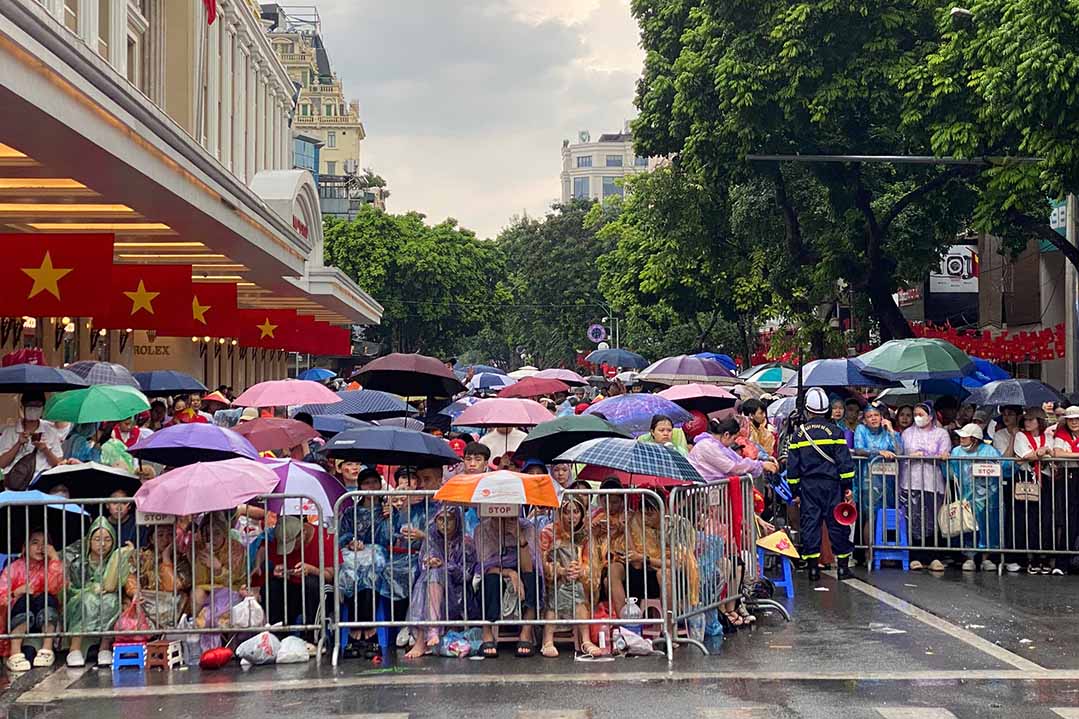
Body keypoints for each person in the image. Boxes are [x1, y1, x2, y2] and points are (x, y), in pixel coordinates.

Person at [785, 388, 856, 581]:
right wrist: (847, 487)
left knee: (811, 525)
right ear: (827, 409)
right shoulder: (836, 432)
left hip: (809, 487)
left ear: (807, 409)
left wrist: (794, 491)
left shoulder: (798, 435)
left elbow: (793, 468)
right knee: (838, 525)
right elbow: (845, 463)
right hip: (833, 486)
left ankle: (813, 570)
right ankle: (842, 568)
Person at [403, 505, 479, 659]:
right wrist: (430, 562)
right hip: (432, 590)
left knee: (435, 575)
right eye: (440, 519)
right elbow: (422, 565)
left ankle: (423, 638)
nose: (444, 524)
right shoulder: (431, 539)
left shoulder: (467, 543)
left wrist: (445, 565)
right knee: (430, 575)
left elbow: (466, 576)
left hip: (458, 595)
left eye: (449, 519)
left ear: (457, 521)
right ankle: (432, 628)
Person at [252, 516, 337, 640]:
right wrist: (278, 570)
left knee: (312, 582)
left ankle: (313, 636)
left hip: (318, 590)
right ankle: (277, 634)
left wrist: (313, 570)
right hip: (292, 590)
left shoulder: (325, 538)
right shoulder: (279, 536)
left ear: (303, 533)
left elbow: (331, 575)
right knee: (272, 586)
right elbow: (268, 556)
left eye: (292, 544)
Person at [62, 518, 133, 667]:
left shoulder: (113, 561)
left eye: (107, 539)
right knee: (88, 600)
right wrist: (90, 589)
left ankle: (105, 646)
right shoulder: (79, 564)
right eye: (97, 539)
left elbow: (120, 583)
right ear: (89, 540)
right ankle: (75, 648)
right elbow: (72, 589)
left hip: (107, 596)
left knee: (111, 600)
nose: (102, 544)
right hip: (80, 597)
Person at [538, 495, 601, 658]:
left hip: (578, 581)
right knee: (556, 593)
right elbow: (541, 561)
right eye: (567, 512)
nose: (571, 516)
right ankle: (548, 639)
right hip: (552, 581)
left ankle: (585, 640)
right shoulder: (548, 532)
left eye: (576, 512)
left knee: (578, 589)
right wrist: (559, 571)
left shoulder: (586, 535)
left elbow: (592, 564)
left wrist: (580, 570)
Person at [475, 512, 542, 658]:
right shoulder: (482, 530)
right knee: (491, 580)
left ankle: (526, 633)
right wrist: (510, 573)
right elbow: (484, 567)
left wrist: (520, 538)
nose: (504, 522)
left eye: (509, 518)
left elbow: (529, 568)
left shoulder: (527, 527)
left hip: (522, 568)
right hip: (495, 572)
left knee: (533, 579)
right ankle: (487, 634)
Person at [899, 402, 952, 572]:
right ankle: (915, 555)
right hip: (911, 481)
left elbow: (944, 453)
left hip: (932, 482)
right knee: (912, 518)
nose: (917, 417)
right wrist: (912, 455)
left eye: (921, 414)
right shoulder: (907, 433)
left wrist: (936, 456)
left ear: (930, 416)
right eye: (915, 414)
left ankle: (933, 556)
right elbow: (902, 454)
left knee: (932, 518)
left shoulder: (941, 433)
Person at [0, 530, 64, 671]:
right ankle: (15, 653)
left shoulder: (51, 565)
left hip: (43, 614)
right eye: (35, 543)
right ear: (25, 547)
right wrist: (16, 593)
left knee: (48, 599)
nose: (40, 547)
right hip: (17, 618)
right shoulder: (13, 568)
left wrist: (54, 559)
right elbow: (1, 596)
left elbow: (56, 589)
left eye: (44, 543)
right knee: (24, 601)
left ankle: (47, 649)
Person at [949, 424, 1003, 572]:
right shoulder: (956, 451)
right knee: (967, 525)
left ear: (974, 438)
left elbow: (1002, 467)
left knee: (987, 525)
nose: (961, 439)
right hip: (966, 495)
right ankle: (969, 558)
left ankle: (986, 558)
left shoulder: (989, 451)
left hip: (988, 497)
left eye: (964, 437)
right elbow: (950, 471)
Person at [1013, 407, 1055, 574]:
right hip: (1027, 478)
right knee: (1028, 517)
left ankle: (1044, 554)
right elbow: (1024, 455)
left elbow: (1053, 454)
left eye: (1031, 419)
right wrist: (1041, 452)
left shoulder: (1049, 436)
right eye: (1026, 419)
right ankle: (1031, 556)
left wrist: (1042, 452)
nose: (1028, 422)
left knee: (1044, 517)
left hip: (1045, 477)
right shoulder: (1021, 436)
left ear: (1040, 421)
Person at [852, 402, 901, 540]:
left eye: (876, 415)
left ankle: (884, 550)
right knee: (870, 516)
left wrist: (891, 431)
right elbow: (859, 449)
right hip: (868, 480)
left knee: (886, 515)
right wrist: (878, 452)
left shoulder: (887, 432)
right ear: (865, 420)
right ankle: (868, 553)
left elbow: (899, 451)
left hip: (887, 481)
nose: (873, 418)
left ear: (882, 417)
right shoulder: (861, 429)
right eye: (869, 416)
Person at [0, 392, 63, 487]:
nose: (33, 410)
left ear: (43, 409)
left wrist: (45, 450)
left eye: (38, 406)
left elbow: (59, 464)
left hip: (42, 483)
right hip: (14, 483)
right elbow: (1, 464)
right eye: (30, 406)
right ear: (22, 408)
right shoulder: (10, 431)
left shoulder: (50, 430)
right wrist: (18, 444)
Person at [1051, 405, 1079, 572]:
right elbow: (1057, 453)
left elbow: (1064, 453)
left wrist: (1070, 454)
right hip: (1070, 477)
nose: (1074, 422)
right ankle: (1063, 563)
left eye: (1077, 419)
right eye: (1070, 420)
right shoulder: (1061, 435)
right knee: (1069, 518)